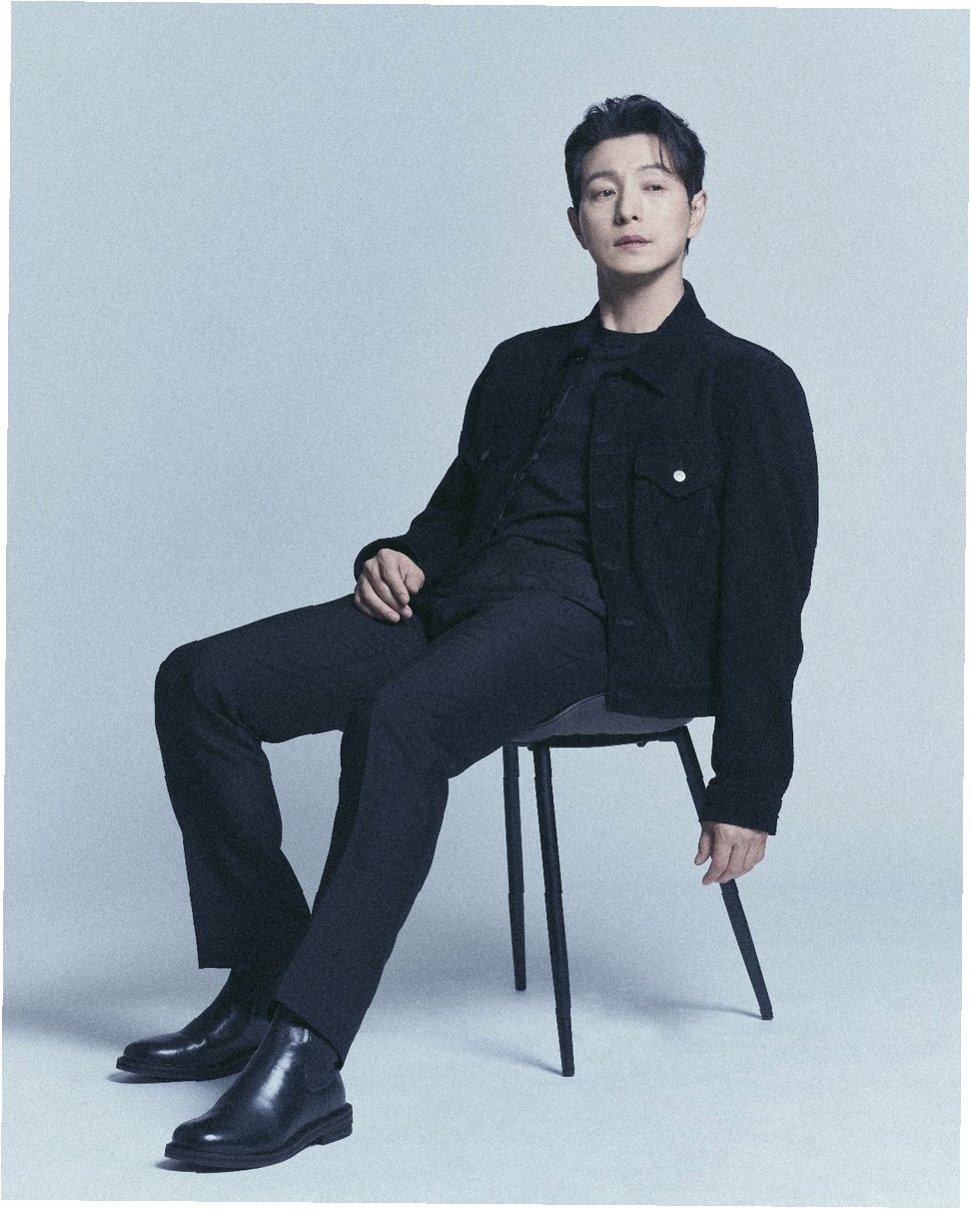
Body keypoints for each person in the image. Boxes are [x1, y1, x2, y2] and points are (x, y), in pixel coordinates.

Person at [117, 94, 818, 1170]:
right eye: (601, 192)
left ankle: (307, 1054)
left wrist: (748, 783)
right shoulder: (521, 364)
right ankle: (262, 982)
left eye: (652, 186)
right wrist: (399, 553)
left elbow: (769, 598)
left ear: (696, 209)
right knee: (201, 681)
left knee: (402, 720)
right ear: (575, 221)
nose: (627, 209)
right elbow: (454, 513)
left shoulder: (746, 385)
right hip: (463, 604)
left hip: (600, 630)